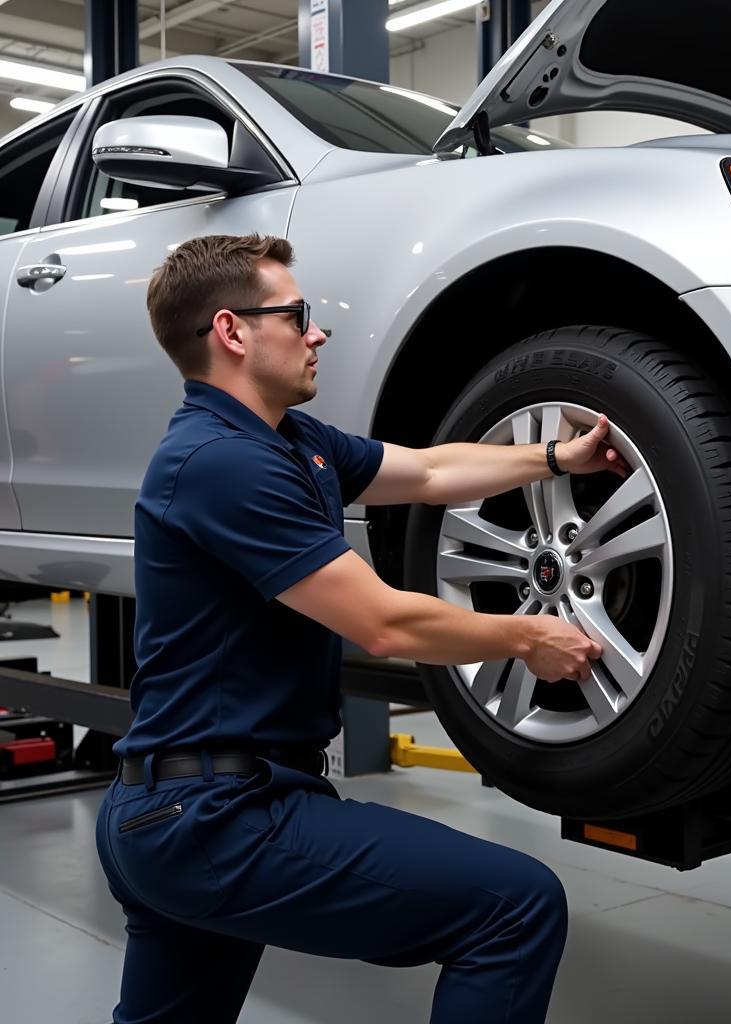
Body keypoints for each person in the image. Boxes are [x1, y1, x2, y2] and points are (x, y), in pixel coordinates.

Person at [94, 233, 627, 1024]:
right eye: (297, 314)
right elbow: (380, 623)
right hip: (217, 819)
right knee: (515, 909)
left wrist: (554, 457)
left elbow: (432, 473)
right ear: (233, 332)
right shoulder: (218, 463)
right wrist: (526, 637)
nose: (316, 333)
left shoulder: (288, 441)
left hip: (166, 811)